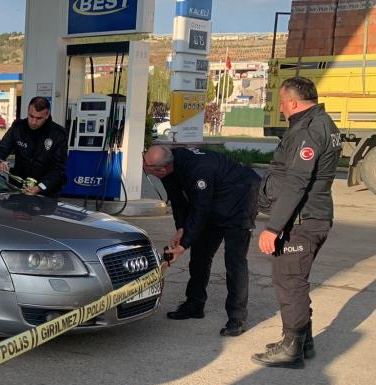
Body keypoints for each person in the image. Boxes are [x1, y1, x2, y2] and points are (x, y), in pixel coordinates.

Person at [252, 76, 340, 369]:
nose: (281, 108)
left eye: (281, 102)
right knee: (295, 282)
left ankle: (292, 348)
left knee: (289, 283)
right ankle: (304, 342)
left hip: (301, 221)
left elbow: (297, 182)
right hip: (311, 216)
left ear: (291, 102)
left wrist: (273, 227)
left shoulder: (309, 130)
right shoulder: (321, 123)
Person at [143, 145, 260, 336]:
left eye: (145, 164)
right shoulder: (171, 162)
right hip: (215, 197)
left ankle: (237, 317)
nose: (142, 164)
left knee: (234, 260)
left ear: (160, 169)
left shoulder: (198, 169)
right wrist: (181, 228)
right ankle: (195, 304)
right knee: (200, 255)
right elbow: (177, 199)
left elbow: (200, 210)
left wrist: (182, 245)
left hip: (241, 198)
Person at [0, 96, 67, 198]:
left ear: (47, 115)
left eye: (39, 118)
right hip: (18, 189)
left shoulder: (58, 134)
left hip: (46, 193)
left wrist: (39, 187)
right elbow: (1, 149)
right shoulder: (18, 127)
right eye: (31, 116)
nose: (34, 122)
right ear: (28, 111)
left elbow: (58, 169)